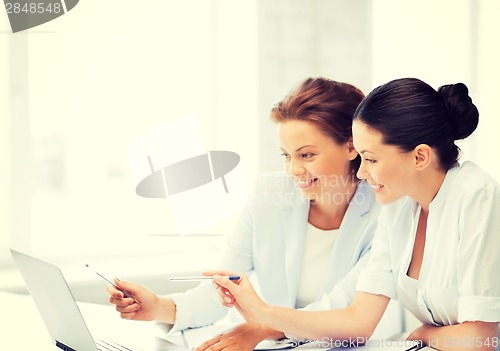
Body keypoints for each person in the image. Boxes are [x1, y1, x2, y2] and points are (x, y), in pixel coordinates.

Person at [107, 77, 402, 350]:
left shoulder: (386, 211)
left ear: (351, 147)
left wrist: (263, 327)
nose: (293, 170)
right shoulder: (269, 194)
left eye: (307, 155)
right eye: (286, 155)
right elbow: (224, 288)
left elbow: (342, 307)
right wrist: (158, 306)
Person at [209, 77, 500, 351]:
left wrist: (424, 335)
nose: (361, 172)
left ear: (420, 156)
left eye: (371, 159)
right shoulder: (397, 207)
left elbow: (483, 339)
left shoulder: (476, 196)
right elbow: (358, 320)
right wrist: (263, 314)